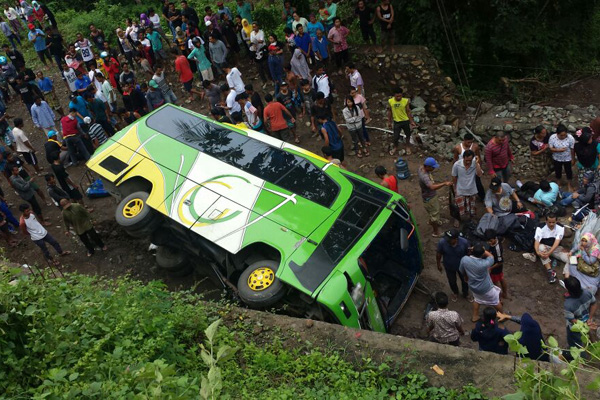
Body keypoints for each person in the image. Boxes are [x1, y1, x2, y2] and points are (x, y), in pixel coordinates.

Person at [460, 243, 503, 322]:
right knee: (495, 301)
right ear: (482, 254)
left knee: (477, 299)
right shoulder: (484, 263)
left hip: (473, 286)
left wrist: (466, 277)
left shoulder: (465, 259)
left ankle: (475, 316)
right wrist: (483, 250)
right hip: (486, 288)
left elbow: (462, 271)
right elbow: (491, 256)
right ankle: (502, 316)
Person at [529, 213, 568, 284]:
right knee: (540, 248)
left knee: (569, 258)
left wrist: (549, 253)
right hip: (545, 246)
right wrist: (538, 252)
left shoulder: (560, 227)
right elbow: (537, 241)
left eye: (553, 222)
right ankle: (550, 271)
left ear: (556, 221)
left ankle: (567, 276)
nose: (551, 224)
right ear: (546, 221)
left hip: (556, 248)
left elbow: (557, 242)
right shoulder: (540, 227)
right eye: (549, 222)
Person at [418, 157, 451, 237]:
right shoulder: (425, 177)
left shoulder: (421, 168)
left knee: (432, 211)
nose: (434, 169)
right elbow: (432, 187)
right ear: (428, 167)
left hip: (426, 195)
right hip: (430, 198)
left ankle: (431, 221)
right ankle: (436, 232)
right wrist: (444, 184)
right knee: (434, 214)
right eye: (432, 167)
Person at [436, 229, 470, 302]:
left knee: (465, 281)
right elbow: (439, 254)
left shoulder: (464, 242)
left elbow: (468, 253)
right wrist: (438, 264)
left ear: (456, 239)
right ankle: (455, 292)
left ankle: (466, 293)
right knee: (452, 281)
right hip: (449, 266)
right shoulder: (442, 242)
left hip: (462, 266)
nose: (447, 240)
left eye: (450, 239)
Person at [563, 276, 597, 348]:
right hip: (587, 319)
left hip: (577, 326)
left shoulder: (568, 304)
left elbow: (572, 320)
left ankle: (576, 349)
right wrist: (589, 319)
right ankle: (592, 344)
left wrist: (583, 325)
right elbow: (594, 304)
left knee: (575, 341)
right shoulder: (587, 292)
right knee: (587, 332)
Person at [452, 149, 482, 226]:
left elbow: (479, 174)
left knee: (472, 206)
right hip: (460, 188)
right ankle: (457, 219)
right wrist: (455, 187)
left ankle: (472, 218)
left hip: (471, 189)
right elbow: (454, 177)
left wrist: (477, 163)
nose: (468, 162)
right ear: (463, 157)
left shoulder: (474, 164)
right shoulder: (457, 164)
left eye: (470, 160)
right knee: (458, 206)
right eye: (467, 160)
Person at [387, 87, 416, 155]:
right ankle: (395, 147)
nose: (399, 97)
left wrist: (411, 121)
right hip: (396, 121)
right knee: (396, 136)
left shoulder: (405, 101)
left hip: (405, 121)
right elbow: (390, 111)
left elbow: (408, 111)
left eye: (400, 96)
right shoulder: (390, 101)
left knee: (408, 135)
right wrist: (389, 121)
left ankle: (407, 146)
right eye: (397, 96)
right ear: (394, 95)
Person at [549, 124, 575, 191]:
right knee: (558, 171)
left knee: (568, 171)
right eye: (561, 135)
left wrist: (573, 159)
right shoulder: (552, 137)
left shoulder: (570, 138)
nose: (563, 137)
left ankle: (569, 184)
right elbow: (551, 148)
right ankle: (558, 183)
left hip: (567, 158)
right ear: (557, 134)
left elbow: (572, 149)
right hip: (557, 158)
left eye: (564, 135)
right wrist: (558, 150)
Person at [485, 229, 509, 299]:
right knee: (501, 278)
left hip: (496, 267)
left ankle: (498, 297)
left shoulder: (497, 249)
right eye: (488, 241)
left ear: (495, 238)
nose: (489, 242)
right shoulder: (495, 241)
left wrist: (490, 268)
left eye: (490, 241)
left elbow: (500, 262)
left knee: (495, 282)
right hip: (493, 264)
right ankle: (504, 293)